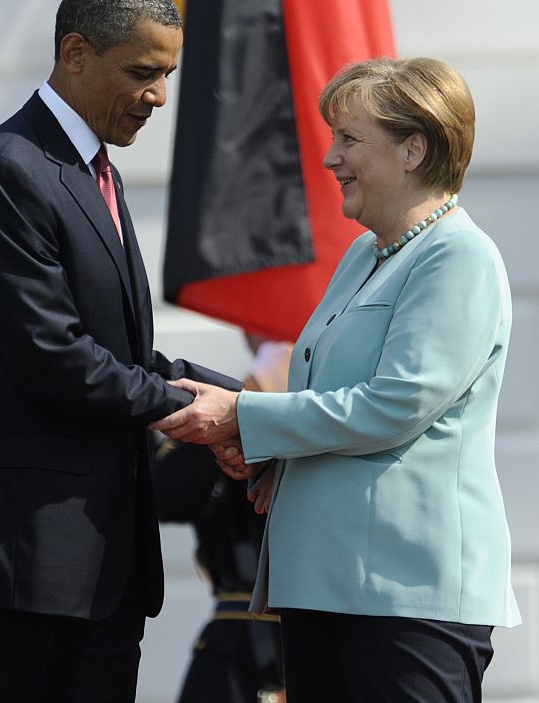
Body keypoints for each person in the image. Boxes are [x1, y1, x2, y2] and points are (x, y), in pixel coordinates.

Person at [150, 57, 521, 702]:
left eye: (349, 140)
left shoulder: (459, 256)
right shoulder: (364, 255)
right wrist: (269, 458)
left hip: (408, 593)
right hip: (329, 582)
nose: (330, 159)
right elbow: (329, 398)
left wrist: (246, 416)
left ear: (414, 149)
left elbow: (395, 405)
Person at [0, 0, 242, 703]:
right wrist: (193, 408)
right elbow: (57, 357)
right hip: (28, 574)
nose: (159, 97)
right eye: (142, 73)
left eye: (166, 74)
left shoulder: (90, 170)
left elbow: (117, 351)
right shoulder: (11, 172)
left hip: (100, 575)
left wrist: (242, 404)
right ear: (75, 53)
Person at [152, 336, 291, 703]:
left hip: (328, 642)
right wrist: (249, 403)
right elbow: (167, 496)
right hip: (240, 645)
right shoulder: (236, 407)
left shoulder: (352, 416)